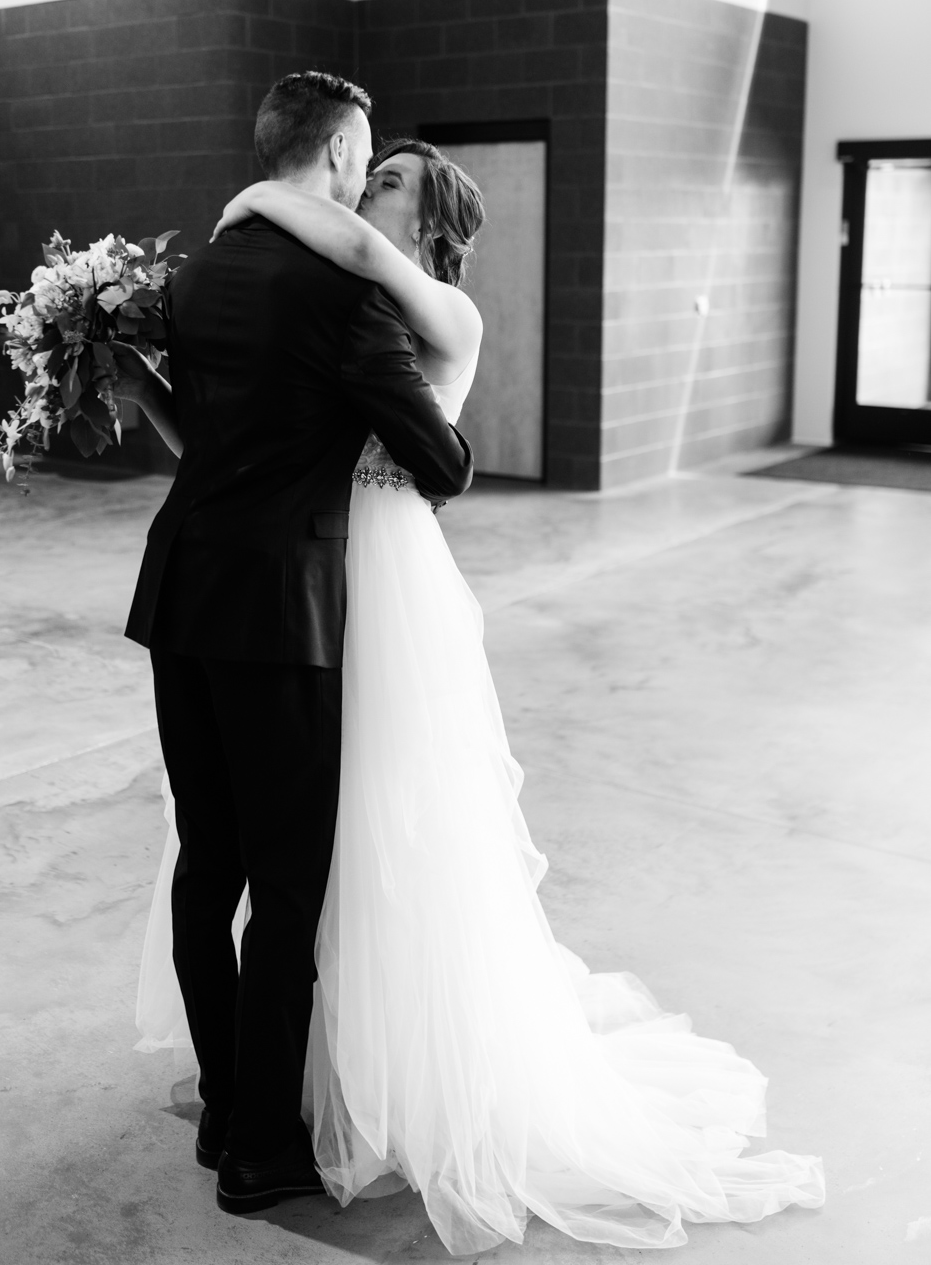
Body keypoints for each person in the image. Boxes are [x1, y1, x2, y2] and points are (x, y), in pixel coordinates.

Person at [127, 136, 826, 1254]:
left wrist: (256, 196)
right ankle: (270, 1095)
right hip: (298, 584)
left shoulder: (431, 308)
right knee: (287, 853)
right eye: (368, 170)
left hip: (377, 587)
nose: (365, 192)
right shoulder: (338, 292)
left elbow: (428, 446)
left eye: (389, 179)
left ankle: (311, 1093)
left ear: (427, 217)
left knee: (368, 841)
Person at [119, 73, 474, 1216]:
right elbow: (443, 461)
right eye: (363, 159)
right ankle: (265, 1145)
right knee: (288, 882)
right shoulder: (341, 297)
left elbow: (206, 431)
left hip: (183, 596)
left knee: (204, 860)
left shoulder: (198, 271)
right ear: (337, 155)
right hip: (280, 616)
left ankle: (227, 1102)